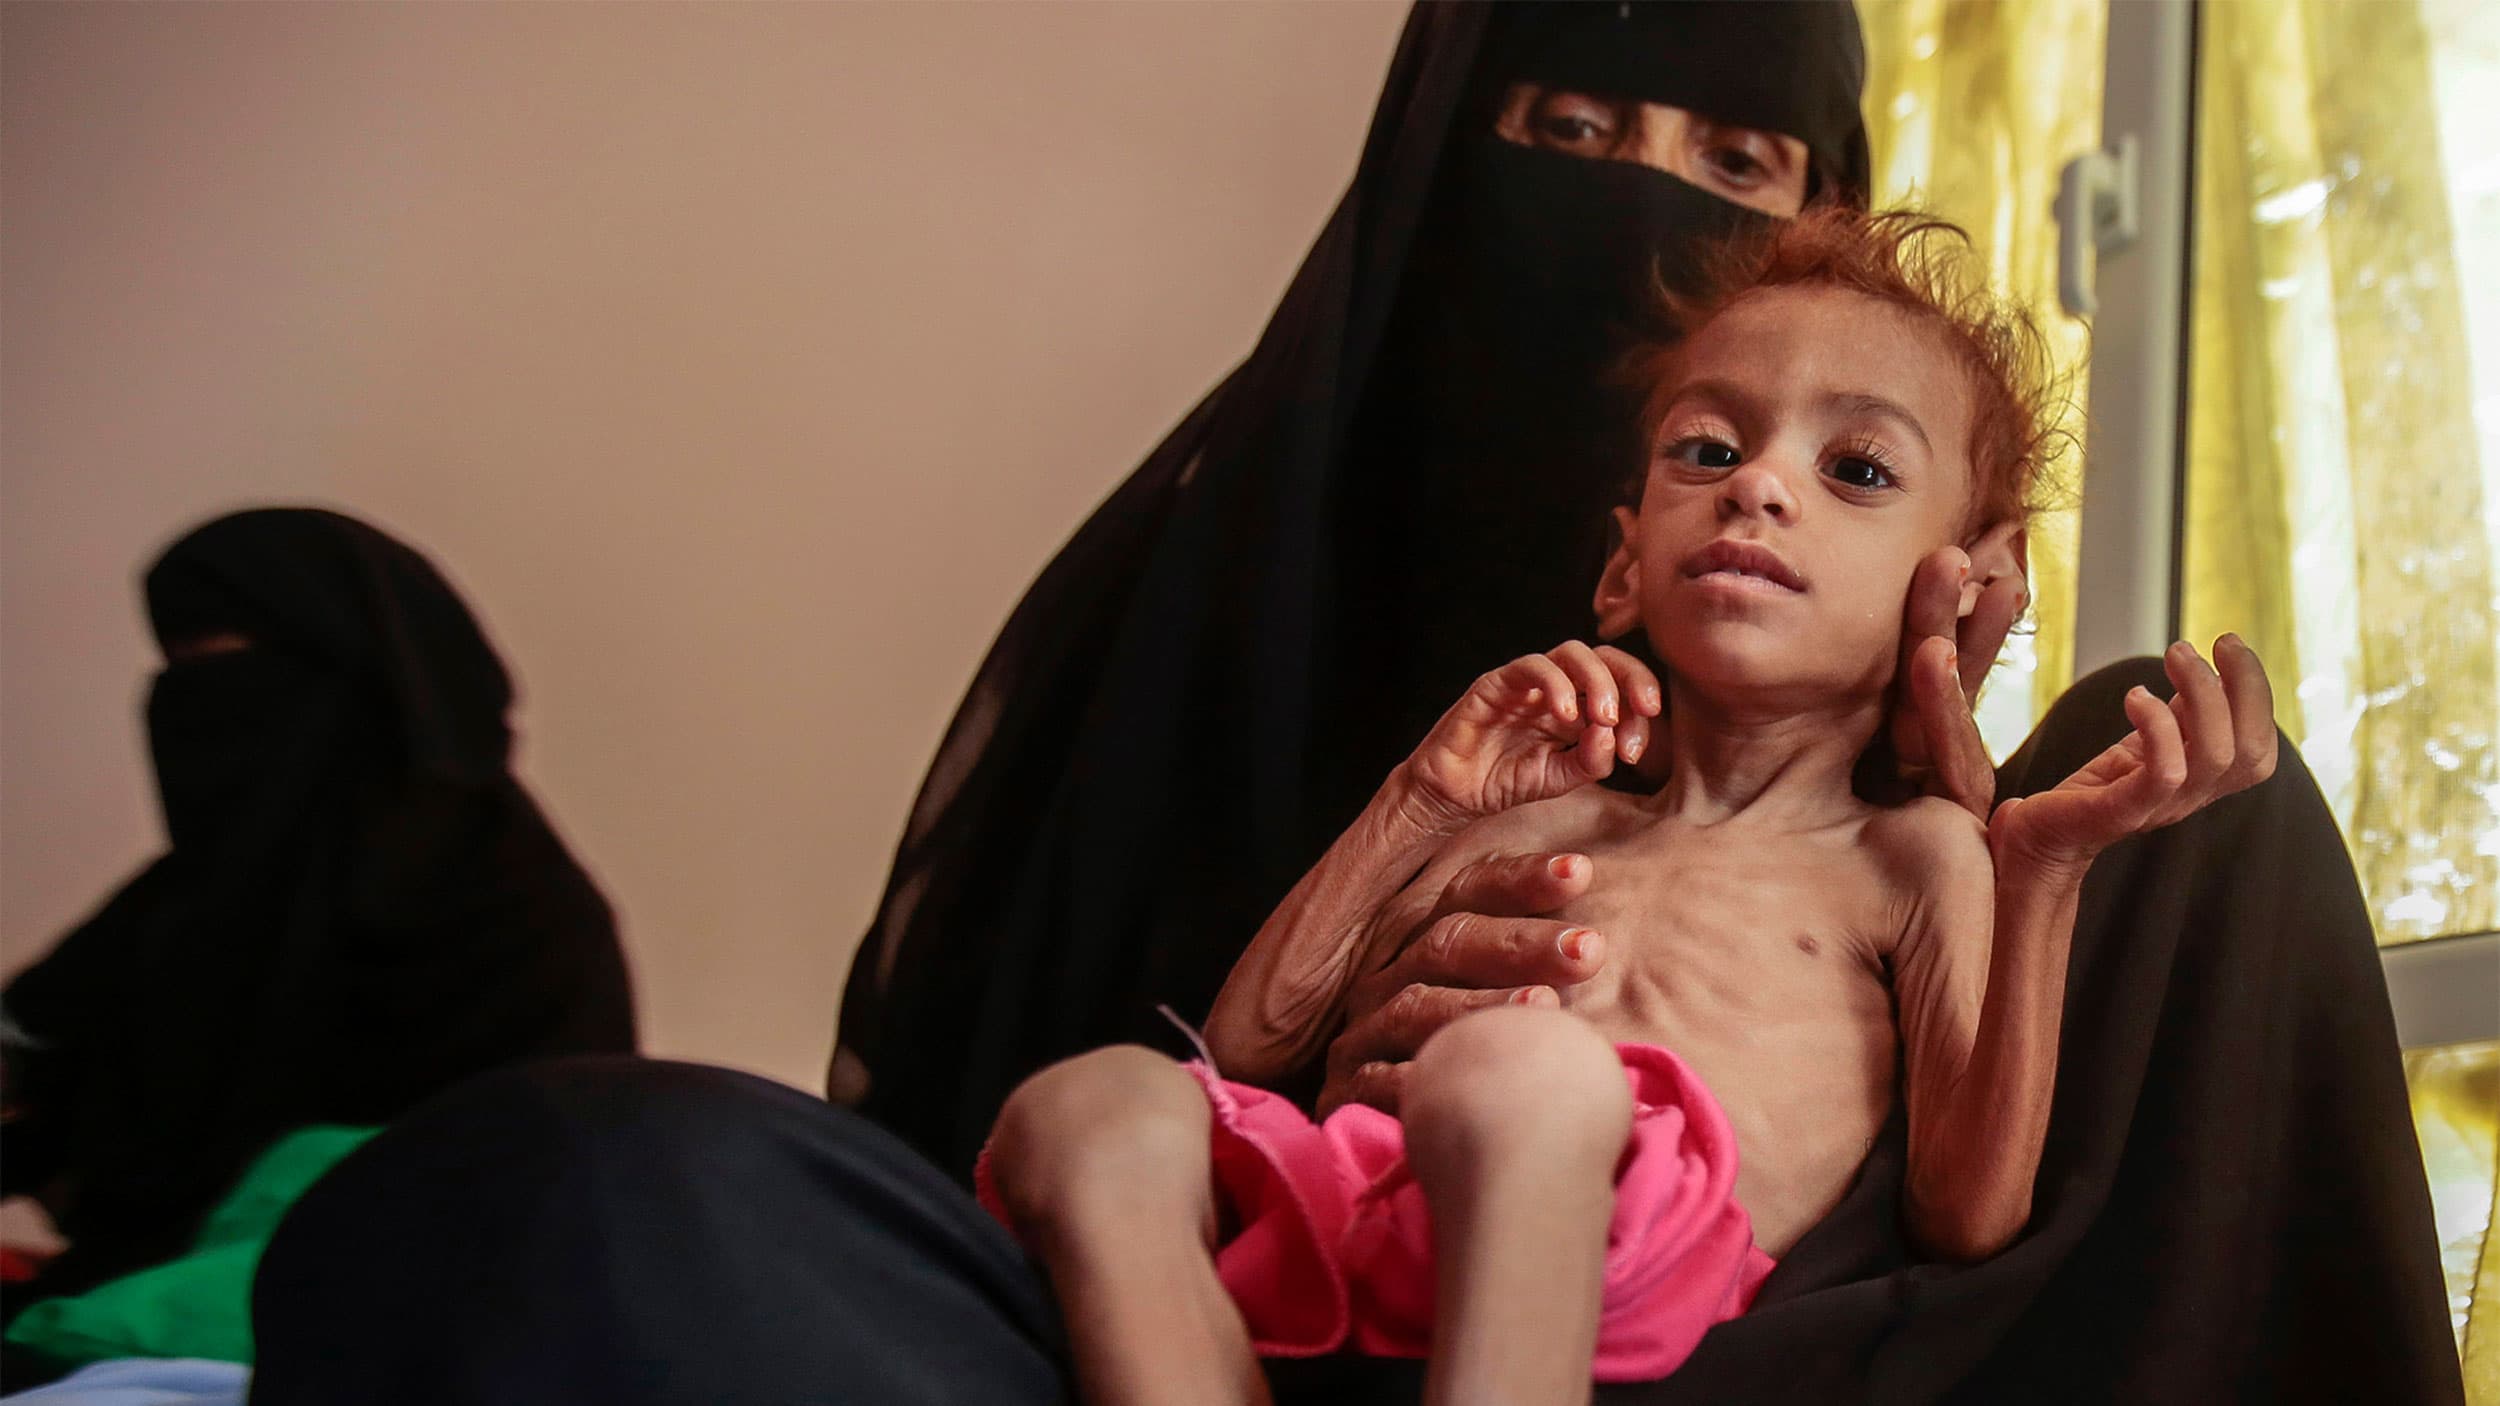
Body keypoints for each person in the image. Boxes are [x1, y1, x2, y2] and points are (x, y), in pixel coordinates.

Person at [249, 5, 2462, 1404]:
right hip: (1227, 1286)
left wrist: (2020, 837)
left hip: (1715, 1320)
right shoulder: (1199, 630)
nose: (1756, 491)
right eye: (1564, 124)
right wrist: (1420, 814)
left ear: (1944, 569)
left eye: (1732, 167)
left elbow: (2008, 1219)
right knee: (572, 1179)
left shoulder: (1951, 823)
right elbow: (1188, 1063)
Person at [975, 207, 2274, 1406]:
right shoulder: (1529, 822)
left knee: (1519, 1065)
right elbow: (1246, 1042)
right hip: (1369, 1217)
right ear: (1620, 567)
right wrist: (1420, 795)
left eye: (1858, 468)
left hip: (1635, 1262)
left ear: (1978, 585)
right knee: (1097, 1101)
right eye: (1708, 448)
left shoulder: (1912, 854)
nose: (1759, 484)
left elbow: (1967, 1210)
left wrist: (2039, 872)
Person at [0, 508, 637, 1335]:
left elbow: (514, 1206)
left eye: (228, 667)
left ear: (355, 679)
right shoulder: (185, 904)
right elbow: (37, 1055)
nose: (192, 710)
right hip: (125, 1311)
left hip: (399, 1333)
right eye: (178, 667)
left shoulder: (513, 919)